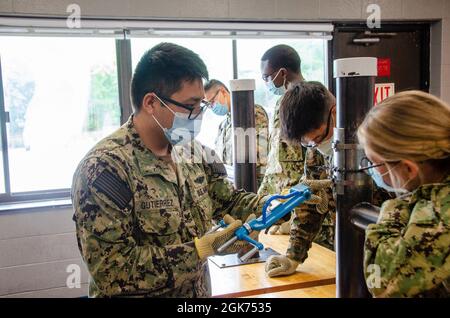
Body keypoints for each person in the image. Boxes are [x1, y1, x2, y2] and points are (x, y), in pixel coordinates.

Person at [71, 42, 268, 298]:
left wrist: (276, 206)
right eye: (191, 105)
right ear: (152, 102)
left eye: (202, 105)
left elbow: (228, 201)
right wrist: (201, 249)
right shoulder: (105, 169)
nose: (199, 114)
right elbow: (112, 271)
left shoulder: (195, 153)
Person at [357, 90, 450, 297]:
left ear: (408, 169)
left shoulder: (439, 214)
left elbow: (381, 283)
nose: (372, 169)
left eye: (374, 162)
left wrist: (393, 207)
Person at [265, 81, 337, 277]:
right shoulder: (316, 152)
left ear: (335, 113)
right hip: (345, 253)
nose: (315, 146)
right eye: (308, 143)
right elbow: (309, 202)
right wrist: (293, 256)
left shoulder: (375, 145)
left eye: (319, 137)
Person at [258, 44, 305, 196]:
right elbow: (275, 155)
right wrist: (262, 196)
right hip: (278, 194)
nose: (266, 82)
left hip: (298, 196)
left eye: (267, 77)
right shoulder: (282, 101)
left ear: (283, 73)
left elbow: (316, 160)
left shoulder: (310, 100)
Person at [204, 79, 269, 186]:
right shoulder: (223, 125)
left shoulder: (252, 112)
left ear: (223, 92)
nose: (212, 107)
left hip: (253, 183)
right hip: (233, 183)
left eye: (212, 102)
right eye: (209, 105)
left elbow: (255, 156)